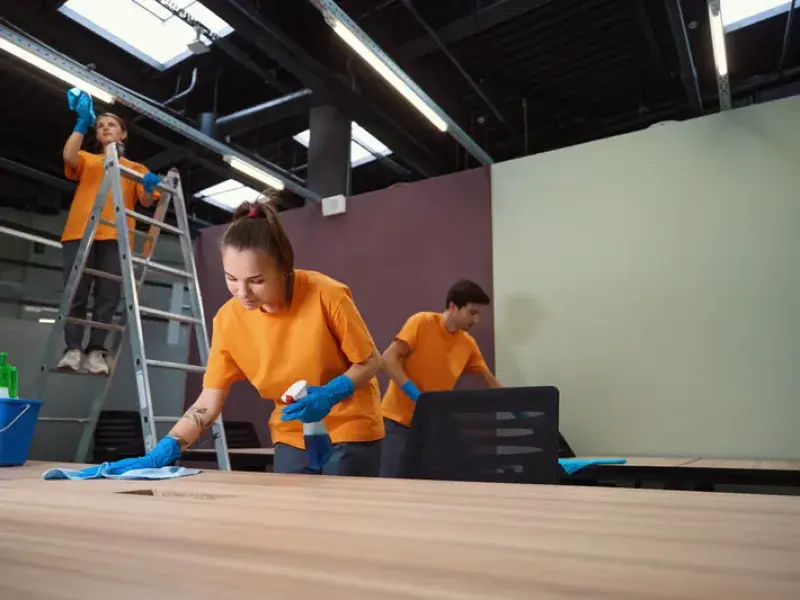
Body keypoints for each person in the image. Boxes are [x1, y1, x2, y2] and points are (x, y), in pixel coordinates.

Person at [79, 199, 385, 477]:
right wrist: (168, 447)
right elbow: (210, 400)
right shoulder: (228, 320)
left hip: (350, 428)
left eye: (256, 281)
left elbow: (371, 360)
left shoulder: (326, 294)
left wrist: (331, 393)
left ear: (283, 268)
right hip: (291, 434)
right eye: (231, 279)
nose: (243, 293)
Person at [57, 88, 161, 375]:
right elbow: (69, 154)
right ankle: (73, 350)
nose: (104, 128)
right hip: (79, 233)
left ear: (123, 134)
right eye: (100, 125)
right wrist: (81, 122)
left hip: (116, 237)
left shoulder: (135, 168)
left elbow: (145, 201)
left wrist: (150, 186)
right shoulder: (89, 160)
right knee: (76, 293)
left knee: (107, 296)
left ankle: (96, 352)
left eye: (111, 125)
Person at [379, 279, 502, 477]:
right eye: (472, 313)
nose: (476, 320)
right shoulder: (422, 322)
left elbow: (491, 381)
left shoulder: (468, 343)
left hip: (432, 425)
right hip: (398, 423)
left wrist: (523, 408)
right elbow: (388, 358)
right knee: (393, 485)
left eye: (479, 314)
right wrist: (415, 395)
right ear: (453, 307)